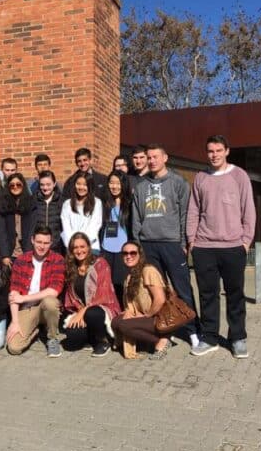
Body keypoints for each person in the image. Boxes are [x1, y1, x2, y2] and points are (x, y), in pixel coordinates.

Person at [187, 135, 256, 359]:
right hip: (204, 246)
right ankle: (209, 337)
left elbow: (249, 211)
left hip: (233, 246)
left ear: (227, 151)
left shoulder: (239, 176)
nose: (214, 155)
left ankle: (237, 338)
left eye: (218, 150)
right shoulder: (200, 178)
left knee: (235, 294)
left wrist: (245, 242)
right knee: (208, 295)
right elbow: (194, 211)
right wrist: (192, 241)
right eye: (210, 151)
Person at [131, 144, 200, 350]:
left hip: (171, 244)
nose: (151, 161)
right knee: (156, 292)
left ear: (165, 158)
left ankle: (193, 331)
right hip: (148, 245)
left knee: (182, 290)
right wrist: (138, 244)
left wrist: (183, 243)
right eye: (149, 157)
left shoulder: (178, 182)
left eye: (155, 157)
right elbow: (136, 218)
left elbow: (184, 215)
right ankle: (165, 331)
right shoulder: (141, 187)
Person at [5, 225, 65, 357]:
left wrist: (24, 298)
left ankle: (52, 338)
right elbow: (14, 293)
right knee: (14, 347)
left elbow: (54, 291)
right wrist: (15, 322)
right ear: (32, 240)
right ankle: (36, 330)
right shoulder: (21, 260)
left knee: (50, 302)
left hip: (46, 308)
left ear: (51, 243)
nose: (42, 246)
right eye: (39, 242)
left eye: (46, 243)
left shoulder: (58, 260)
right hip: (27, 309)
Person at [62, 232, 121, 357]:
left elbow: (103, 295)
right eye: (75, 247)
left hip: (101, 309)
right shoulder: (71, 268)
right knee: (73, 340)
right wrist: (78, 312)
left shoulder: (100, 264)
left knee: (92, 313)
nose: (79, 251)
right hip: (81, 310)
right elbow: (71, 297)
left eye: (82, 246)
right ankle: (90, 337)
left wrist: (83, 312)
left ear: (88, 247)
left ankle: (103, 341)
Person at [110, 241, 171, 359]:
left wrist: (145, 316)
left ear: (140, 255)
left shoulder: (148, 270)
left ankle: (162, 340)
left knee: (125, 326)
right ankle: (144, 342)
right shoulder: (130, 276)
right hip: (145, 315)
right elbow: (132, 304)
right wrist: (130, 312)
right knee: (116, 321)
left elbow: (160, 299)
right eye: (125, 253)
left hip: (159, 316)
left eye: (133, 253)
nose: (129, 256)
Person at [100, 171, 131, 305]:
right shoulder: (104, 203)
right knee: (107, 285)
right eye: (111, 183)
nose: (114, 186)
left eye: (118, 183)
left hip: (122, 250)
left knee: (120, 284)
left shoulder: (129, 204)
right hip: (106, 249)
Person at [60, 172, 103, 253]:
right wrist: (74, 245)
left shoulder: (97, 203)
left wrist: (82, 245)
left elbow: (95, 225)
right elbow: (66, 227)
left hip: (90, 247)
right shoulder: (67, 204)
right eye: (78, 184)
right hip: (71, 247)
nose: (81, 187)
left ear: (89, 186)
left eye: (85, 185)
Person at [0, 173, 33, 266]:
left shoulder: (31, 203)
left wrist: (28, 253)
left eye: (18, 184)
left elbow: (33, 230)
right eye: (12, 185)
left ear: (23, 185)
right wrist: (5, 255)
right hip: (10, 253)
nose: (15, 187)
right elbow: (1, 231)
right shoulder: (4, 204)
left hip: (27, 251)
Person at [29, 170, 63, 252]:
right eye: (42, 185)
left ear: (54, 184)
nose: (45, 188)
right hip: (38, 247)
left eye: (48, 184)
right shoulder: (33, 200)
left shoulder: (61, 200)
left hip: (56, 246)